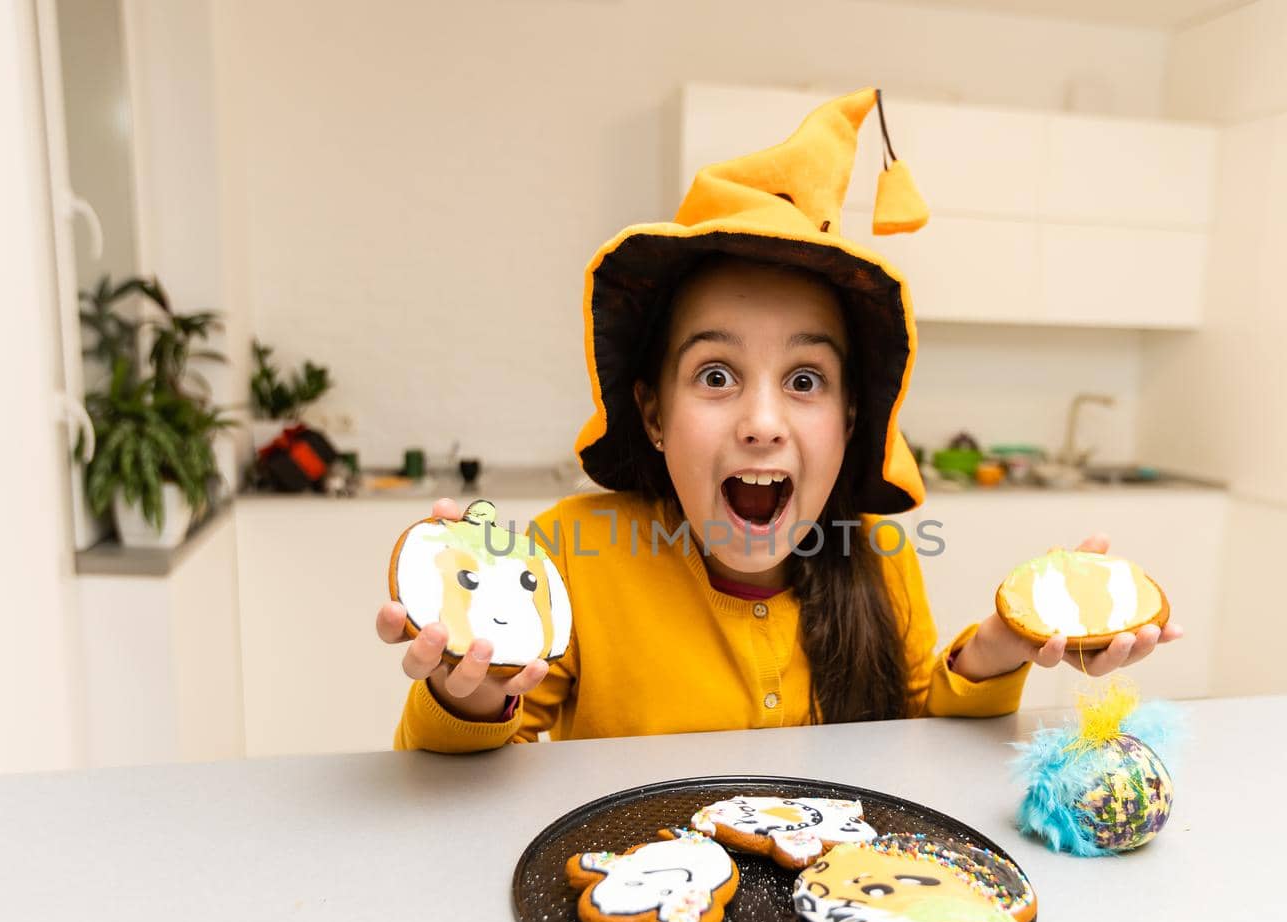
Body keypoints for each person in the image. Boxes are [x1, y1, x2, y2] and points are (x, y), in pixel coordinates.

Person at [376, 88, 1181, 753]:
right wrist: (471, 696)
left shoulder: (880, 558)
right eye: (717, 375)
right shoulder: (569, 560)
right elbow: (471, 780)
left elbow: (916, 732)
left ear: (850, 417)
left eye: (804, 379)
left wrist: (1003, 644)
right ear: (653, 413)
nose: (763, 422)